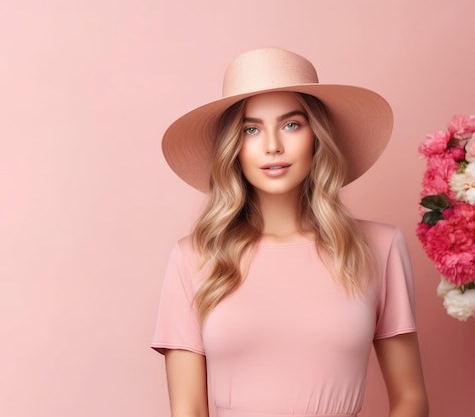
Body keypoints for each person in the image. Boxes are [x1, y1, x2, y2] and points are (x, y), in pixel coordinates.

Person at [151, 48, 428, 417]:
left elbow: (411, 398)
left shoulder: (379, 247)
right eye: (251, 129)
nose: (272, 146)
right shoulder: (194, 258)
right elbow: (187, 409)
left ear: (317, 135)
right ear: (233, 148)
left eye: (291, 124)